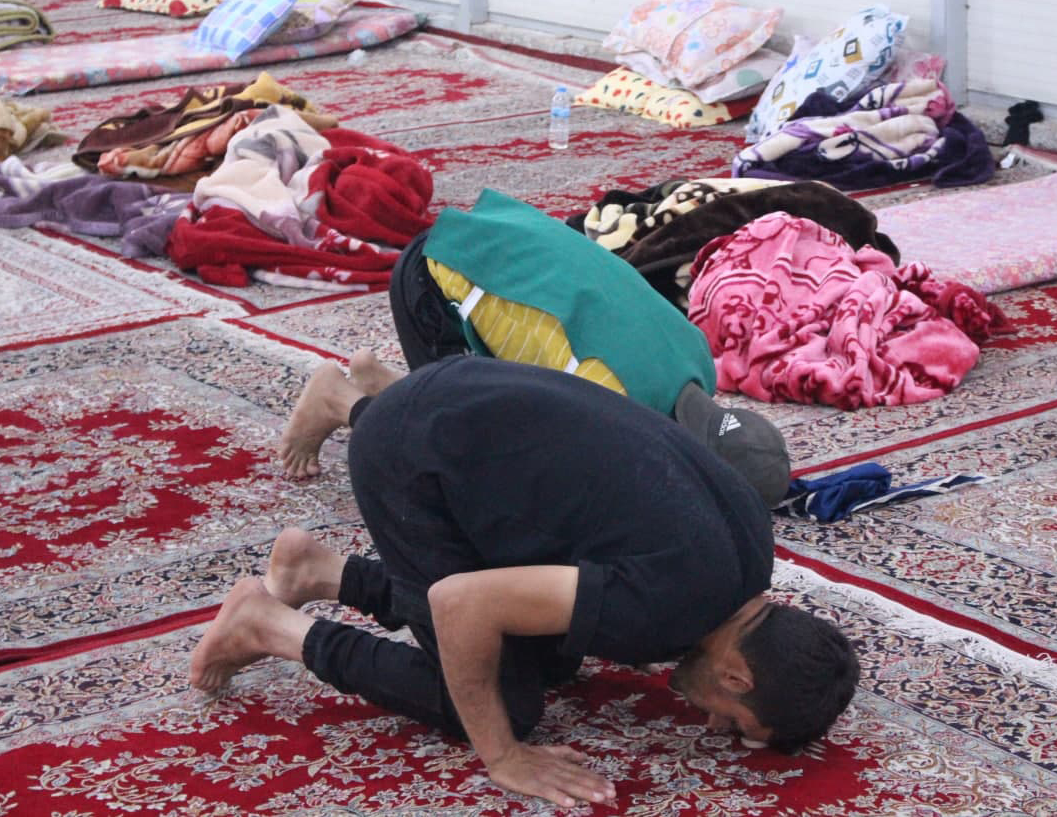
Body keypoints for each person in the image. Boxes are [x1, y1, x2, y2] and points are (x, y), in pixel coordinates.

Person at [196, 356, 860, 809]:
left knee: (556, 654)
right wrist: (503, 756)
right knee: (500, 702)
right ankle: (270, 625)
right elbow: (460, 604)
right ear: (738, 676)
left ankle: (323, 569)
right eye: (731, 718)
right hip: (409, 459)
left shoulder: (750, 551)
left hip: (464, 389)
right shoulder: (666, 605)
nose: (709, 721)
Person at [278, 189, 792, 507]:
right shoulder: (612, 402)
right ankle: (340, 399)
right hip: (435, 279)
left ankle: (386, 385)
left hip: (493, 235)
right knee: (475, 465)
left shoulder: (698, 359)